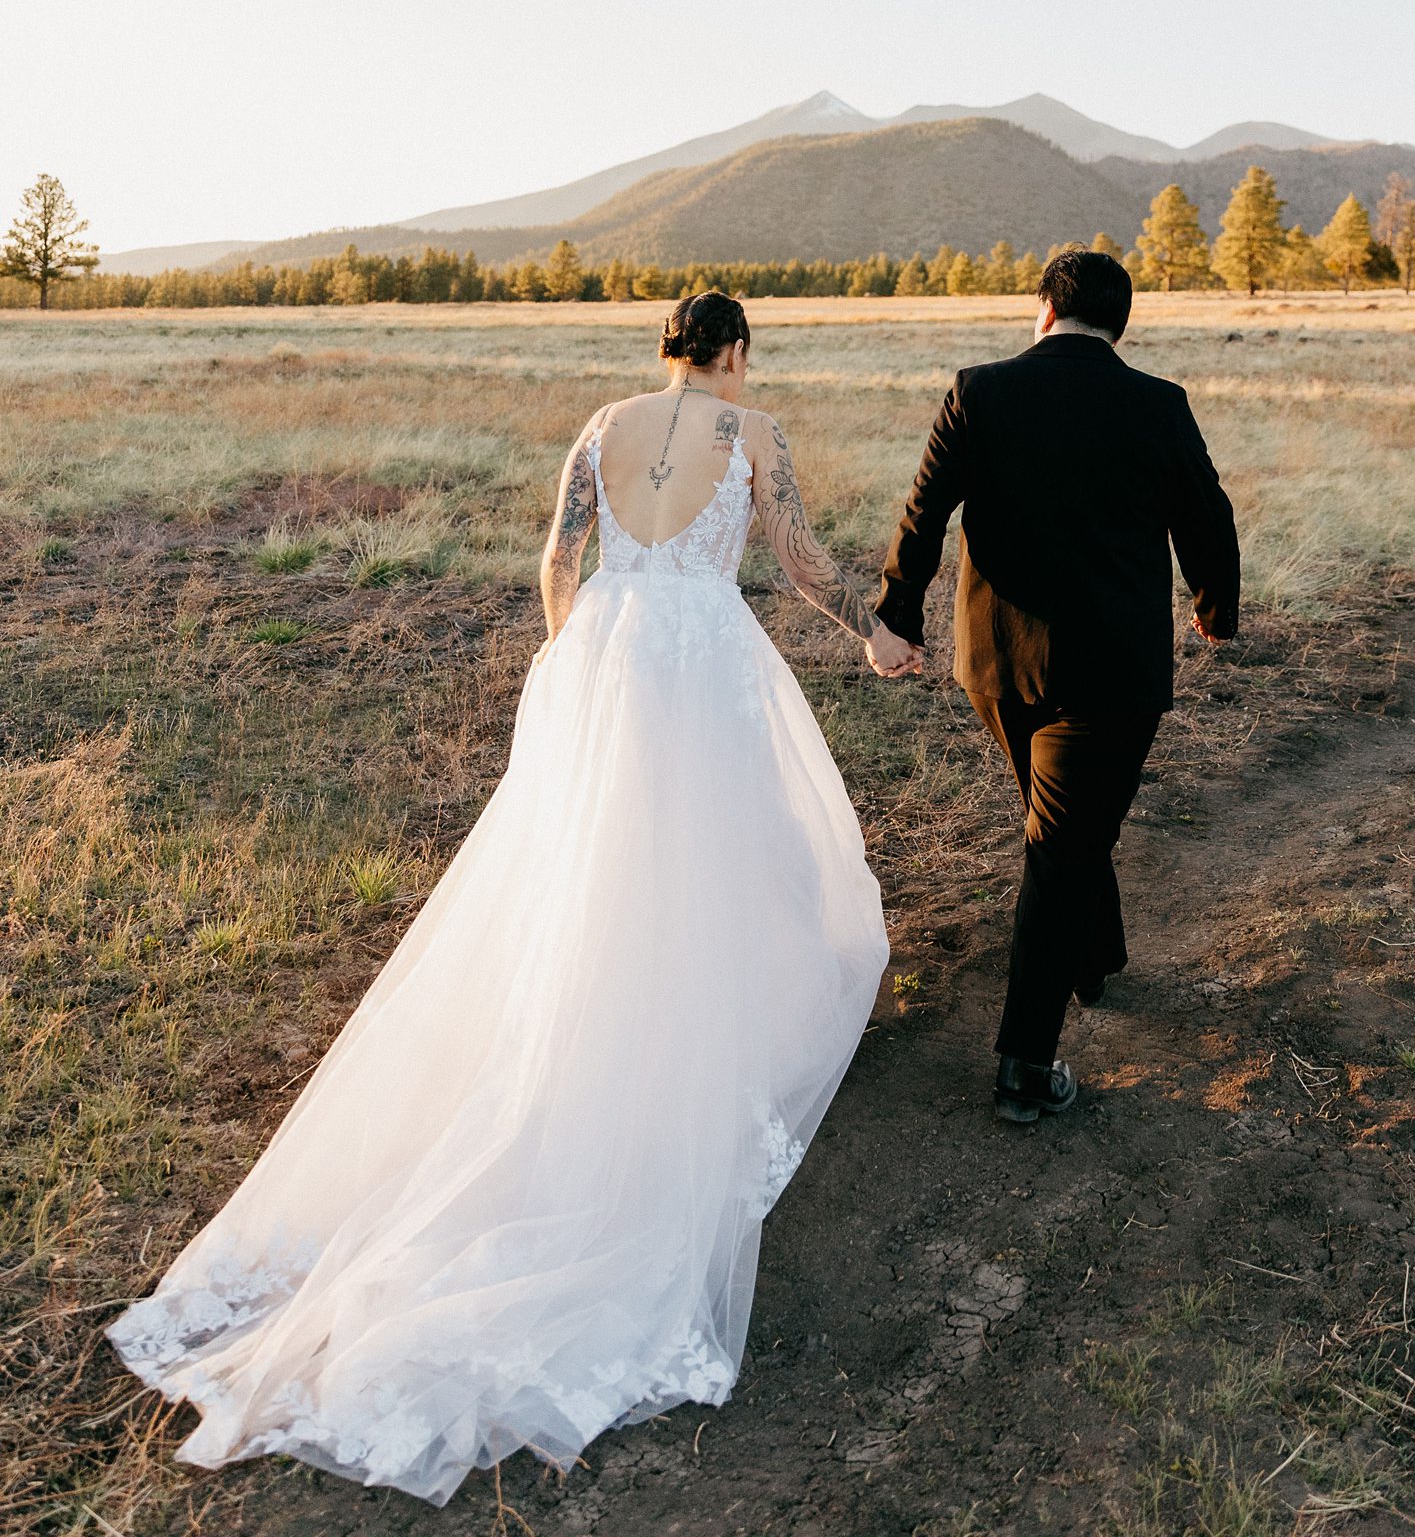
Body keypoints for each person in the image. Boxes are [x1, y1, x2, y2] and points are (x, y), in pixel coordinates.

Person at [108, 292, 917, 1503]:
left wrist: (571, 666)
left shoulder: (600, 425)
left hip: (606, 656)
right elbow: (798, 560)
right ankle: (688, 1042)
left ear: (666, 352)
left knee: (595, 860)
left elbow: (557, 563)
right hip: (702, 663)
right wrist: (873, 630)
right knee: (724, 849)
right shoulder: (754, 434)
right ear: (735, 352)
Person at [875, 247, 1239, 1125]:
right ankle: (1025, 1068)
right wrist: (1215, 608)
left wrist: (897, 616)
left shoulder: (980, 390)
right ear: (1118, 325)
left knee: (1065, 831)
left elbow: (925, 512)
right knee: (1063, 843)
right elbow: (1207, 514)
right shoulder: (1158, 403)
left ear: (1044, 310)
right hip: (1112, 673)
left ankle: (1093, 958)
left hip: (997, 667)